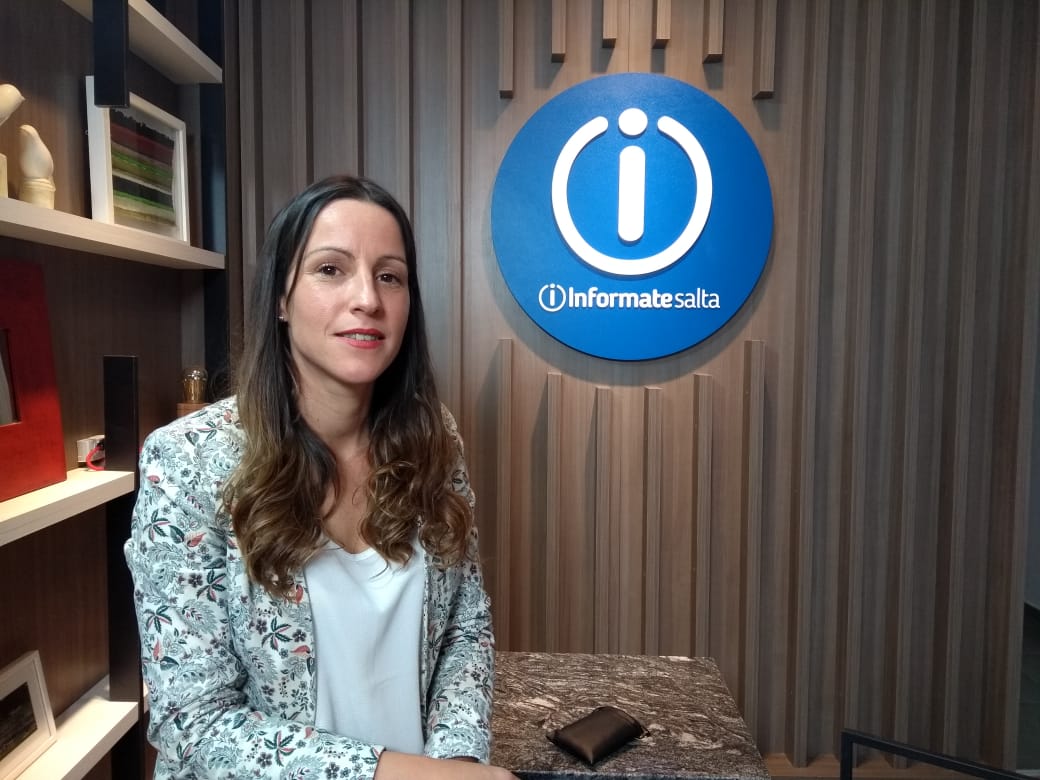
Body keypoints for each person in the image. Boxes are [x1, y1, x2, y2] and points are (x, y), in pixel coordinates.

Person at [126, 175, 518, 779]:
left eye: (390, 276)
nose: (368, 298)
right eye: (331, 269)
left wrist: (458, 761)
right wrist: (404, 775)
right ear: (280, 300)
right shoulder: (185, 461)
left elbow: (465, 626)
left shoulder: (433, 436)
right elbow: (194, 723)